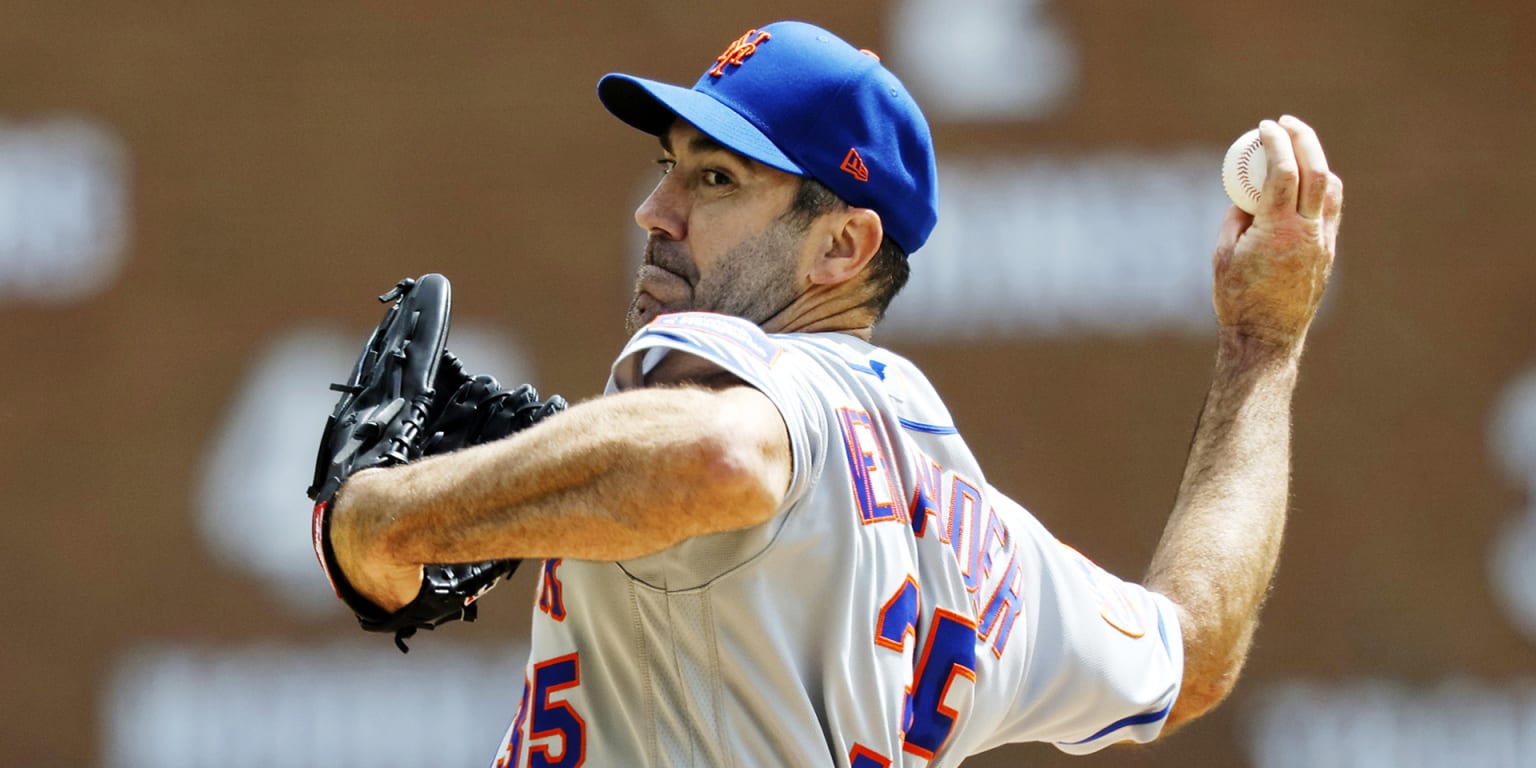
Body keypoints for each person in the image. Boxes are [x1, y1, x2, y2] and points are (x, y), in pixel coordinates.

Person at [328, 19, 1343, 767]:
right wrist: (1264, 344)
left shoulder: (744, 367)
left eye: (716, 181)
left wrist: (380, 521)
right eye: (668, 168)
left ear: (843, 246)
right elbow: (1193, 650)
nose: (656, 209)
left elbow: (718, 458)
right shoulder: (972, 527)